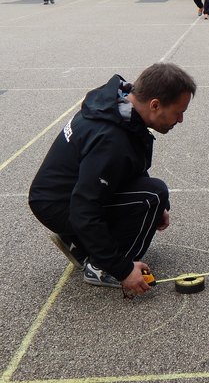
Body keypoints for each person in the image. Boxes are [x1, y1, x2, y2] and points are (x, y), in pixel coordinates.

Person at [29, 63, 197, 295]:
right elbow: (85, 208)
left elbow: (125, 167)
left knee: (154, 198)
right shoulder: (110, 140)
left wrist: (159, 208)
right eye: (179, 112)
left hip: (61, 194)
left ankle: (79, 242)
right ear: (155, 105)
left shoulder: (120, 108)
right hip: (61, 204)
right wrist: (123, 269)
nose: (180, 120)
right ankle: (100, 268)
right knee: (152, 195)